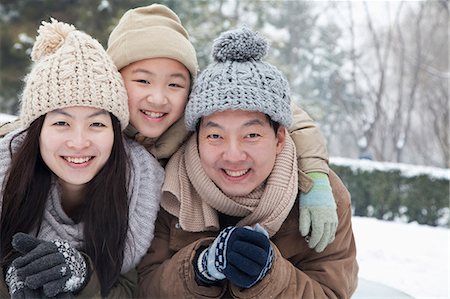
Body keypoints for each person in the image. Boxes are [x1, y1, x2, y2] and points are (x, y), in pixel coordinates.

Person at [137, 27, 358, 298]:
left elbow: (333, 292)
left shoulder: (322, 197)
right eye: (215, 135)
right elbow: (144, 286)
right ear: (195, 138)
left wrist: (269, 275)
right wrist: (200, 268)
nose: (233, 155)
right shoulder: (168, 188)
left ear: (278, 139)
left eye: (251, 135)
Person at [106, 3, 337, 253]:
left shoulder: (196, 117)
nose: (159, 98)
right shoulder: (93, 131)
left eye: (175, 85)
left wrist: (316, 178)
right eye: (143, 81)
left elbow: (291, 117)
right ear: (113, 79)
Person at [0, 19, 164, 298]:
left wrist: (82, 274)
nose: (79, 142)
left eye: (97, 125)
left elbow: (130, 288)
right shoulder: (5, 172)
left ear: (116, 132)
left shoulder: (139, 186)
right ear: (36, 131)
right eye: (62, 123)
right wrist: (11, 279)